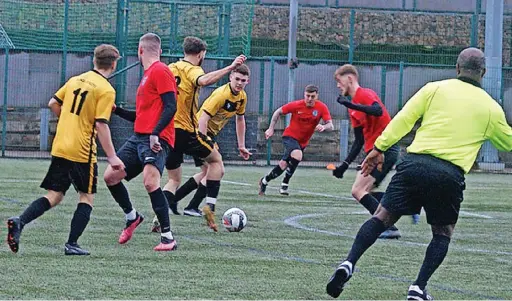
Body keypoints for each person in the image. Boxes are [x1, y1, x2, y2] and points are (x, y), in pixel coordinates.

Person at [326, 47, 512, 300]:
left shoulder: (434, 89)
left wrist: (378, 148)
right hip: (449, 174)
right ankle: (418, 287)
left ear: (457, 68)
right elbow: (508, 143)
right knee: (442, 233)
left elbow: (403, 119)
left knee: (382, 217)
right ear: (484, 73)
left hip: (413, 164)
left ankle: (348, 263)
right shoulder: (491, 108)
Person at [6, 44, 124, 255]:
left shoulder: (75, 80)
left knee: (55, 195)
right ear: (114, 64)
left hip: (61, 144)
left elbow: (53, 103)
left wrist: (70, 120)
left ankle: (20, 221)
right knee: (86, 197)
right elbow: (101, 124)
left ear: (94, 61)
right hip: (81, 149)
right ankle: (72, 244)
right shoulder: (106, 89)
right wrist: (113, 157)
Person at [161, 36, 246, 232]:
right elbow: (204, 80)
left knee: (173, 179)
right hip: (188, 130)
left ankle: (161, 218)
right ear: (201, 54)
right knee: (217, 163)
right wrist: (229, 66)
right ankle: (209, 206)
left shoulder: (171, 68)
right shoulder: (194, 70)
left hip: (168, 131)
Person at [103, 33, 178, 251]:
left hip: (156, 138)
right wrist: (117, 111)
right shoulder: (147, 76)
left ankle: (167, 237)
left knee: (150, 181)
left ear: (140, 50)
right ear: (159, 50)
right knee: (111, 176)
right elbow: (142, 115)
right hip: (138, 137)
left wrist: (155, 133)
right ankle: (132, 217)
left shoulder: (161, 70)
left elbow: (171, 106)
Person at [332, 64, 401, 239]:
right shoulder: (352, 106)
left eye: (339, 82)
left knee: (357, 190)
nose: (338, 86)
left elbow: (377, 110)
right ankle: (406, 206)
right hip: (374, 152)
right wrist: (344, 165)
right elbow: (359, 140)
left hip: (384, 150)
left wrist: (353, 105)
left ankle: (389, 226)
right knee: (366, 191)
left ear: (350, 79)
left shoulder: (364, 94)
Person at [258, 85, 333, 196]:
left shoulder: (322, 107)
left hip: (302, 142)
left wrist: (324, 127)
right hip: (290, 136)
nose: (310, 99)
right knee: (298, 155)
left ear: (317, 96)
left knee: (283, 165)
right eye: (307, 96)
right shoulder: (297, 105)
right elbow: (278, 112)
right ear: (304, 94)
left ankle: (264, 181)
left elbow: (330, 125)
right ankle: (285, 184)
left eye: (312, 96)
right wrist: (271, 128)